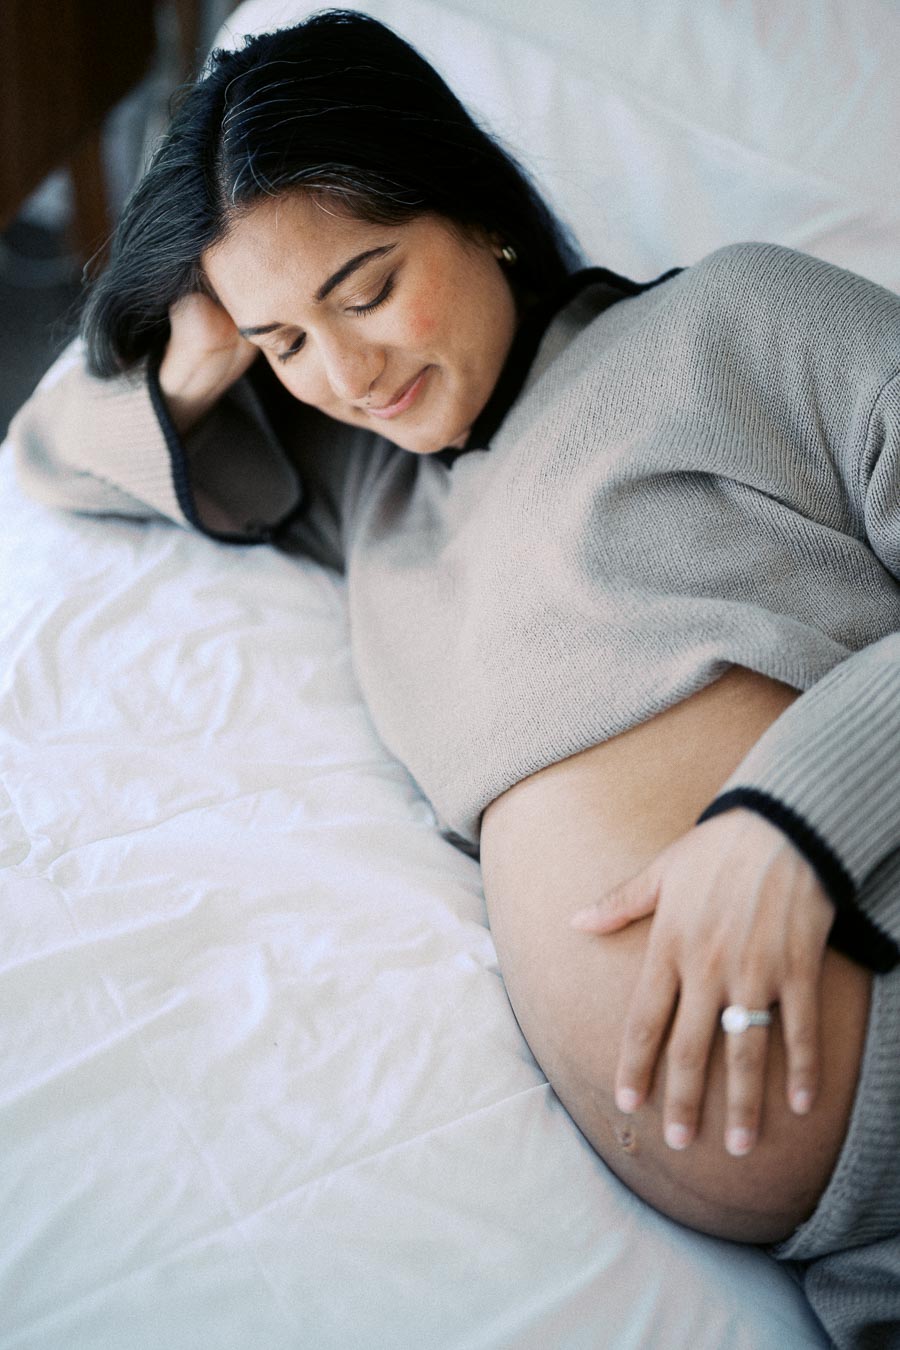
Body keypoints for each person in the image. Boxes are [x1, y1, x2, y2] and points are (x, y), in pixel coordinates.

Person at [10, 9, 900, 1343]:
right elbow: (53, 449)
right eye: (289, 342)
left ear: (475, 206)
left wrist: (796, 826)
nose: (350, 373)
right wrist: (206, 346)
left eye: (366, 288)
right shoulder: (365, 488)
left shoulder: (737, 323)